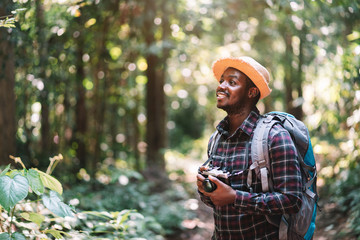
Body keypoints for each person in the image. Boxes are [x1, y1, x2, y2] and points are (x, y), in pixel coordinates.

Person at [196, 56, 303, 240]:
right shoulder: (216, 139)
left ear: (251, 92)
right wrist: (206, 189)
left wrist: (235, 197)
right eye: (222, 80)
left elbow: (292, 200)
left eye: (232, 82)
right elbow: (217, 202)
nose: (221, 86)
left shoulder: (274, 136)